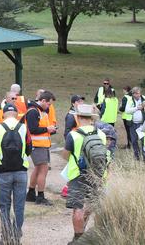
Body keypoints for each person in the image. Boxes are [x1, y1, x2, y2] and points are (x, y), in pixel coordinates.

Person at [63, 104, 109, 244]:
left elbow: (66, 156)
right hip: (96, 174)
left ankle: (78, 238)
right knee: (92, 204)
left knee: (78, 207)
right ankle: (88, 234)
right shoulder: (101, 134)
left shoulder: (73, 135)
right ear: (91, 118)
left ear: (77, 117)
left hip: (77, 175)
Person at [0, 104, 32, 245]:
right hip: (21, 171)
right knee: (19, 206)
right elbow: (29, 149)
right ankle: (16, 237)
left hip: (3, 172)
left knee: (5, 206)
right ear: (17, 114)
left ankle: (5, 237)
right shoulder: (24, 128)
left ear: (4, 114)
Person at [25, 90, 56, 206]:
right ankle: (40, 196)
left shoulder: (41, 111)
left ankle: (31, 193)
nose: (49, 106)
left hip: (41, 145)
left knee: (38, 169)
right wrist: (47, 129)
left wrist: (49, 130)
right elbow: (33, 129)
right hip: (37, 145)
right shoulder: (33, 111)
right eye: (49, 104)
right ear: (43, 100)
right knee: (43, 170)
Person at [124, 87, 145, 161]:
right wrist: (137, 108)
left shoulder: (144, 98)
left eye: (138, 93)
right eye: (135, 93)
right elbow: (127, 111)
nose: (137, 95)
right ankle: (136, 156)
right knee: (134, 141)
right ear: (133, 94)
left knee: (143, 140)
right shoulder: (130, 100)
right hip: (133, 123)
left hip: (142, 124)